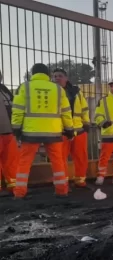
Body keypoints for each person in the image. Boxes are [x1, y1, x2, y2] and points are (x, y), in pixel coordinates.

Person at [11, 63, 74, 199]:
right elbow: (66, 112)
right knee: (57, 161)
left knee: (24, 163)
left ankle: (19, 193)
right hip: (53, 132)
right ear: (47, 74)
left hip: (30, 133)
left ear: (33, 73)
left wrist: (16, 128)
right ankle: (62, 191)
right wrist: (69, 129)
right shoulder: (58, 89)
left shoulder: (25, 87)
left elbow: (17, 109)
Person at [53, 68, 90, 188]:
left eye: (60, 76)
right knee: (60, 159)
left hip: (78, 129)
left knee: (81, 157)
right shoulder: (52, 92)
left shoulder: (76, 92)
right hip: (60, 131)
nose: (57, 78)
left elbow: (84, 108)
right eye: (55, 76)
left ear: (66, 78)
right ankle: (63, 183)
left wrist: (87, 123)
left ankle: (80, 180)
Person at [0, 70, 19, 195]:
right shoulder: (5, 91)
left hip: (9, 132)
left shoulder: (4, 90)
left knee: (11, 161)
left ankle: (13, 186)